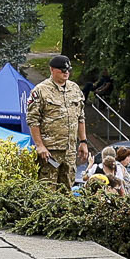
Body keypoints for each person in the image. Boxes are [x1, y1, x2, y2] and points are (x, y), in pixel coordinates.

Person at [25, 56, 89, 189]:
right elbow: (32, 120)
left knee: (66, 190)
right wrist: (40, 146)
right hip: (50, 151)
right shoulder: (40, 91)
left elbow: (80, 117)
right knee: (47, 190)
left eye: (68, 70)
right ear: (52, 70)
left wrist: (83, 141)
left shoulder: (74, 89)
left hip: (69, 150)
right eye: (62, 70)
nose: (66, 73)